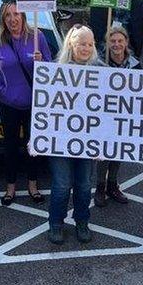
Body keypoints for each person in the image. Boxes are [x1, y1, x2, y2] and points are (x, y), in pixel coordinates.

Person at [0, 0, 52, 206]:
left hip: (34, 104)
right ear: (2, 18)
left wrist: (43, 62)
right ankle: (10, 187)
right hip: (9, 104)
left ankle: (33, 185)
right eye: (8, 15)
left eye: (16, 14)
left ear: (23, 15)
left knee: (33, 147)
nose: (13, 19)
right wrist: (2, 92)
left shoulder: (37, 36)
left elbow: (52, 70)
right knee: (10, 146)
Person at [46, 25, 103, 244]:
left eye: (90, 44)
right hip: (60, 140)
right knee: (61, 184)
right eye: (82, 43)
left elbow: (109, 112)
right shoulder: (54, 70)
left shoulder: (102, 70)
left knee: (83, 185)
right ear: (71, 44)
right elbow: (44, 107)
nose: (86, 48)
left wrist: (104, 143)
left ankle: (82, 222)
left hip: (88, 141)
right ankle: (56, 223)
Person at [94, 25, 140, 206]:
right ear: (107, 43)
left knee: (118, 151)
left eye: (120, 41)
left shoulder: (135, 64)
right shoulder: (99, 62)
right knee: (103, 152)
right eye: (112, 41)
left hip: (125, 114)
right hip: (104, 115)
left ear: (126, 42)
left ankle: (112, 185)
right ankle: (99, 186)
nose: (116, 44)